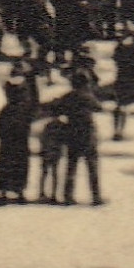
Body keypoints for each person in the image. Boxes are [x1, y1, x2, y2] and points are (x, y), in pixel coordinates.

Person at [0, 62, 38, 204]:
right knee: (20, 160)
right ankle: (19, 191)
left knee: (5, 159)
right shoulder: (27, 88)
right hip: (20, 126)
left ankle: (4, 192)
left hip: (8, 124)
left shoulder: (7, 89)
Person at [58, 72, 104, 205]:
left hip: (72, 133)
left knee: (71, 166)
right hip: (88, 134)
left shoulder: (68, 96)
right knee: (92, 166)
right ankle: (96, 196)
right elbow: (98, 108)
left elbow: (57, 109)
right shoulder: (88, 96)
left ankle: (68, 195)